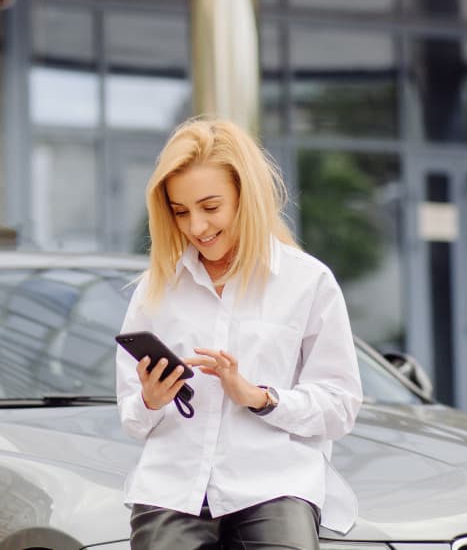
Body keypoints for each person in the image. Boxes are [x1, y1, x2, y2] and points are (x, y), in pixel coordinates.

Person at [116, 117, 364, 549]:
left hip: (275, 486)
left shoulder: (308, 282)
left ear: (245, 198)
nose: (196, 227)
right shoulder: (155, 290)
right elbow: (133, 418)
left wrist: (260, 397)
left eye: (210, 208)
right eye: (180, 212)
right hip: (172, 489)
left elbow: (340, 406)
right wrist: (152, 398)